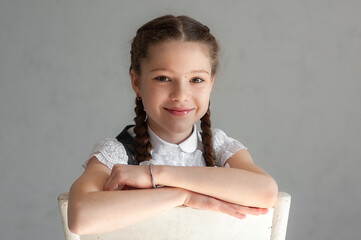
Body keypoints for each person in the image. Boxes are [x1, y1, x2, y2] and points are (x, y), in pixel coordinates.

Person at [68, 15, 278, 235]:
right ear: (136, 82)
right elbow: (81, 217)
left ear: (211, 83)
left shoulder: (220, 147)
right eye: (163, 78)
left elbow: (266, 191)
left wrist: (156, 174)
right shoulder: (118, 153)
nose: (180, 95)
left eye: (196, 80)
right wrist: (183, 196)